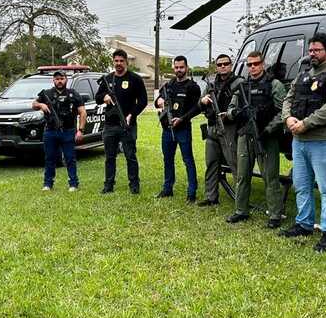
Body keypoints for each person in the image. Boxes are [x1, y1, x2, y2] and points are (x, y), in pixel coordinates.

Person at [281, 32, 326, 251]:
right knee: (301, 185)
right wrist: (288, 118)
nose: (312, 53)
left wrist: (306, 123)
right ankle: (304, 223)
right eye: (310, 50)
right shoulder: (302, 75)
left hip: (324, 140)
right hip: (299, 141)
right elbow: (288, 99)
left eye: (316, 50)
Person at [224, 50, 286, 228]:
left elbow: (283, 111)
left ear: (263, 64)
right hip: (245, 135)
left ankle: (275, 214)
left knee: (270, 177)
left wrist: (268, 130)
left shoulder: (274, 84)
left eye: (256, 63)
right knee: (242, 175)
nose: (253, 67)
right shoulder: (242, 86)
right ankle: (241, 210)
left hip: (266, 137)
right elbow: (230, 109)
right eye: (249, 64)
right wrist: (236, 113)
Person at [95, 49, 148, 194]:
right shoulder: (107, 79)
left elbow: (143, 101)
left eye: (121, 61)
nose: (119, 64)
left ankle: (134, 184)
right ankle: (108, 184)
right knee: (109, 157)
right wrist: (104, 96)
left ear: (126, 62)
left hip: (128, 125)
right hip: (110, 125)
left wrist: (132, 114)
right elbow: (97, 97)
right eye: (116, 61)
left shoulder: (135, 79)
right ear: (113, 62)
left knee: (130, 155)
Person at [154, 55, 202, 202]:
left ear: (186, 68)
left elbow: (197, 108)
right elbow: (157, 102)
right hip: (167, 129)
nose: (179, 70)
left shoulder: (193, 87)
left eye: (181, 67)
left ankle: (191, 192)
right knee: (168, 160)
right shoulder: (169, 85)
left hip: (183, 129)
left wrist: (181, 119)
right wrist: (159, 100)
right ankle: (167, 189)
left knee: (188, 160)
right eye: (176, 67)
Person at [32, 70, 87, 192]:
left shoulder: (73, 94)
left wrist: (80, 130)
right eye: (57, 79)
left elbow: (83, 112)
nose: (59, 81)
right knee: (49, 158)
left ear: (66, 79)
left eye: (62, 78)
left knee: (70, 158)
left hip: (68, 131)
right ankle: (48, 184)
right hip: (50, 131)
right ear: (53, 80)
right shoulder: (47, 94)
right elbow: (33, 104)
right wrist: (41, 105)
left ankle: (73, 184)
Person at [198, 54, 241, 207]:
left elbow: (242, 106)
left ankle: (241, 200)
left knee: (234, 163)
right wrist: (203, 101)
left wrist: (229, 115)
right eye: (220, 64)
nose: (223, 67)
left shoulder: (239, 83)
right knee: (211, 163)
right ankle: (211, 196)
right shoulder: (211, 84)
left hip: (229, 128)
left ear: (231, 65)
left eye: (226, 64)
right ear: (216, 67)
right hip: (212, 127)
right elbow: (200, 103)